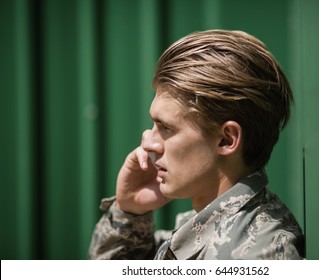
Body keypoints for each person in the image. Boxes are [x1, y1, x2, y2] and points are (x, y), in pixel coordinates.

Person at [88, 29, 304, 260]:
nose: (147, 142)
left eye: (166, 127)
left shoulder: (255, 255)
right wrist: (130, 211)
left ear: (227, 139)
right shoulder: (205, 230)